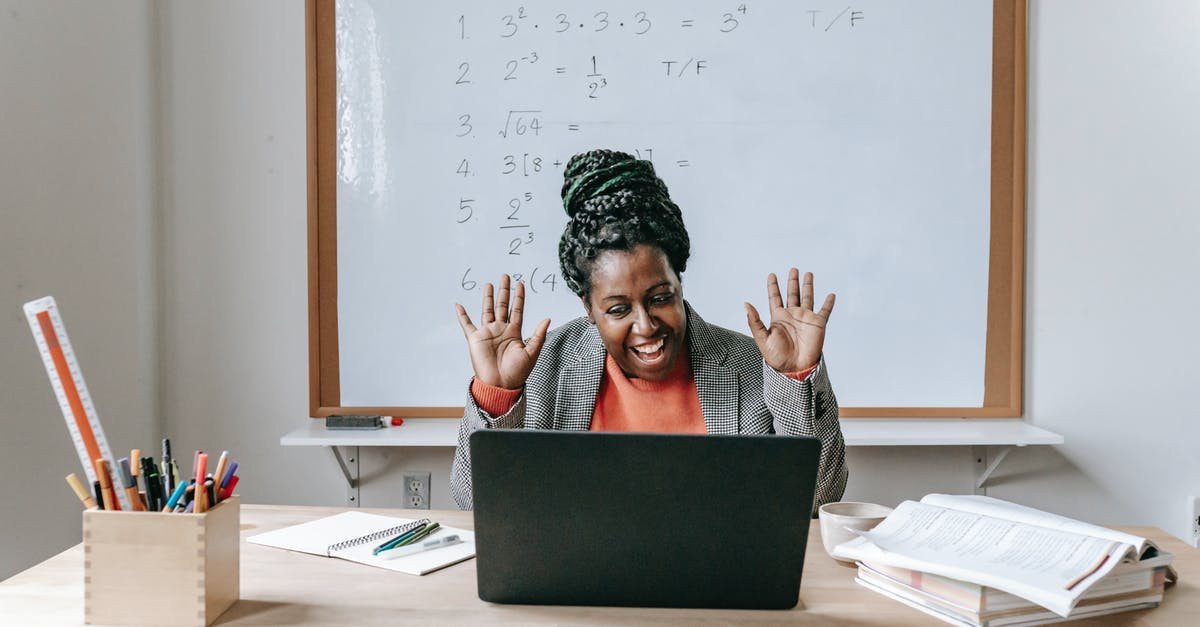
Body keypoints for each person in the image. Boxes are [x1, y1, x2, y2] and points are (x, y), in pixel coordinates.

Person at [450, 149, 846, 510]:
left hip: (712, 584)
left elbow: (816, 500)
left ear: (679, 283)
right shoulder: (541, 370)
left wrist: (796, 378)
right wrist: (498, 397)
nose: (646, 326)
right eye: (619, 309)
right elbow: (474, 504)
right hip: (578, 587)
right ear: (589, 308)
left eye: (660, 298)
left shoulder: (752, 366)